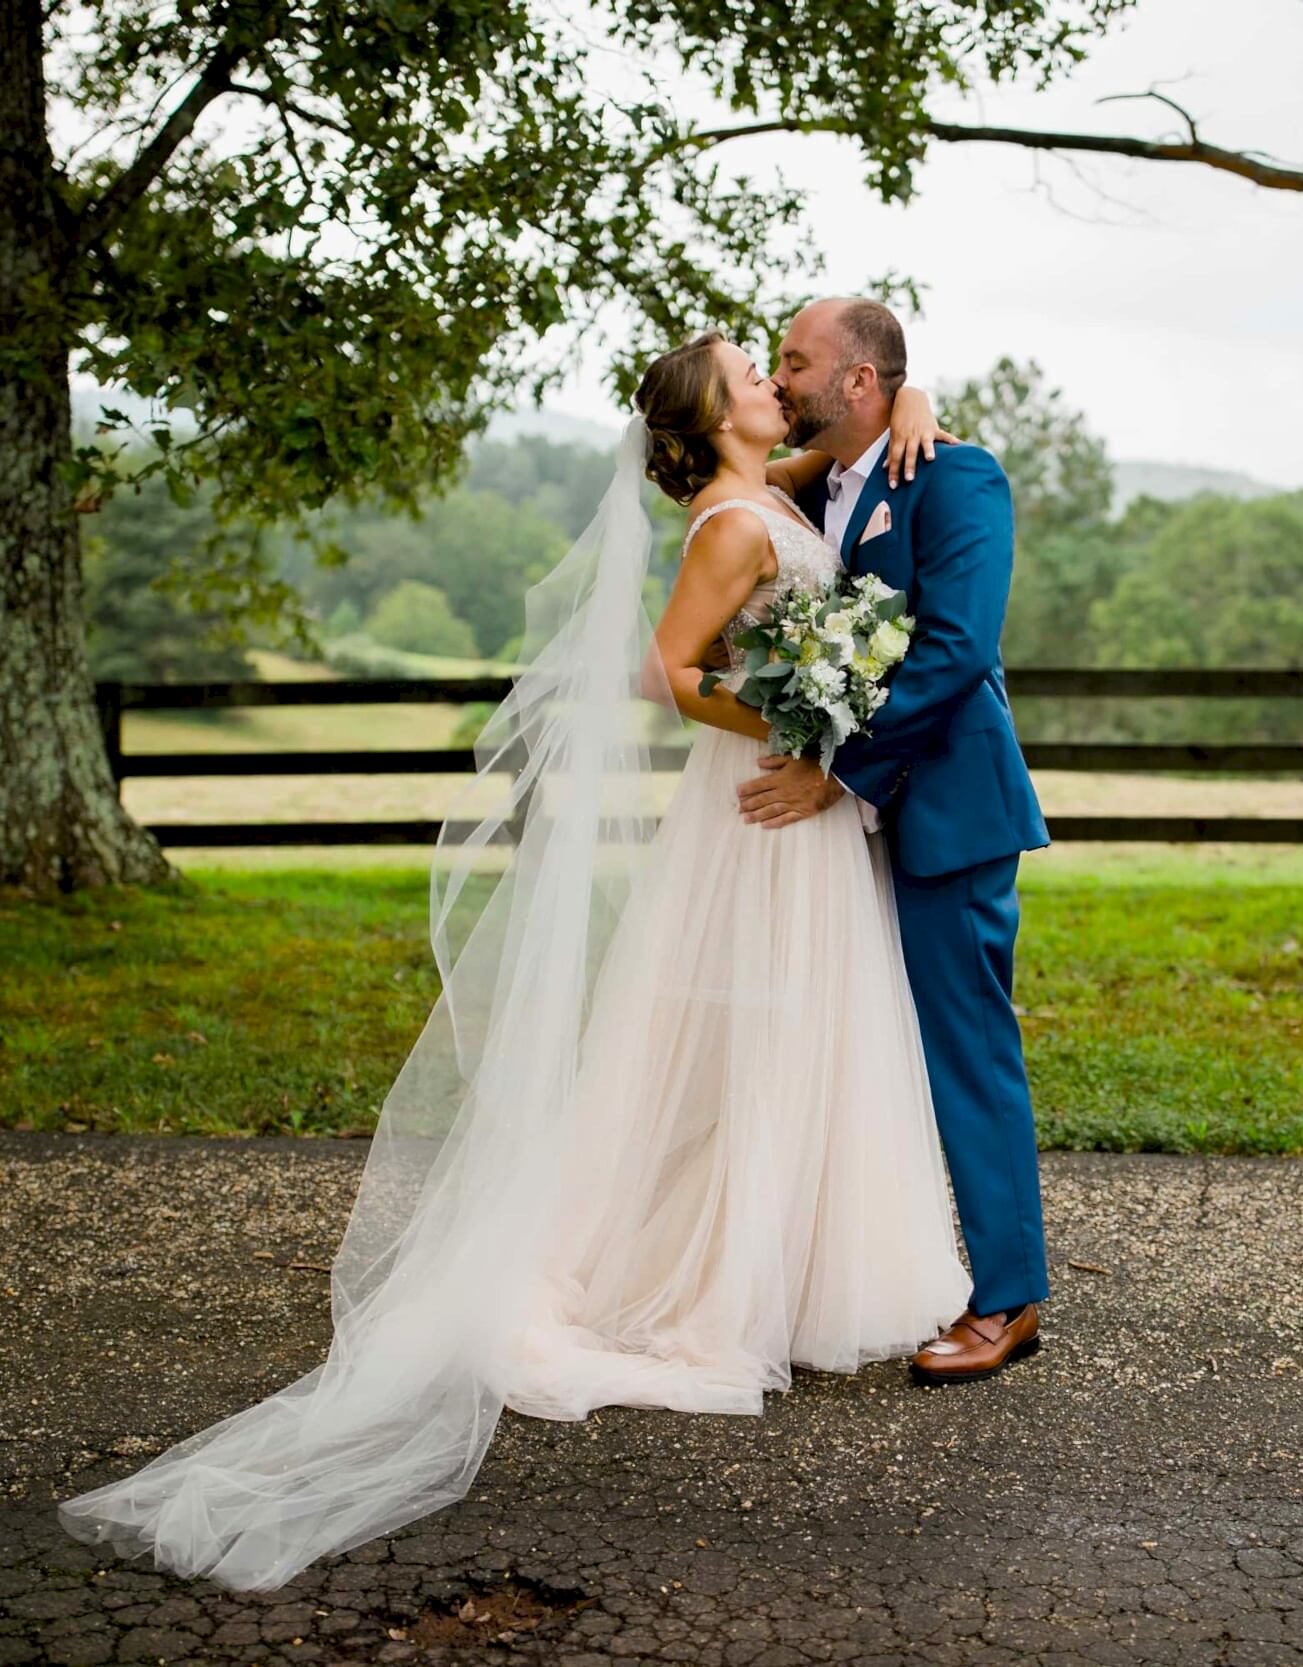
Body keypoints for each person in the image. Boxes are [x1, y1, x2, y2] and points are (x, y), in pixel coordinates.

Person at [55, 322, 1008, 1594]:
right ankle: (692, 1272)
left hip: (826, 797)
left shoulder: (788, 485)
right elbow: (664, 670)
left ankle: (795, 1262)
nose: (773, 383)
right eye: (752, 374)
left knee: (824, 1028)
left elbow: (874, 469)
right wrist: (798, 723)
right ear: (719, 415)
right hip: (773, 797)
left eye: (784, 365)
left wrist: (915, 400)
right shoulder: (736, 520)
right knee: (741, 1034)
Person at [747, 298, 1054, 1378]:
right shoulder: (816, 484)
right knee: (859, 1052)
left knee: (966, 1053)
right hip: (854, 834)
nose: (779, 377)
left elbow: (959, 648)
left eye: (795, 361)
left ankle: (1008, 1298)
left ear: (862, 381)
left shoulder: (956, 476)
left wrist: (839, 768)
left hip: (944, 809)